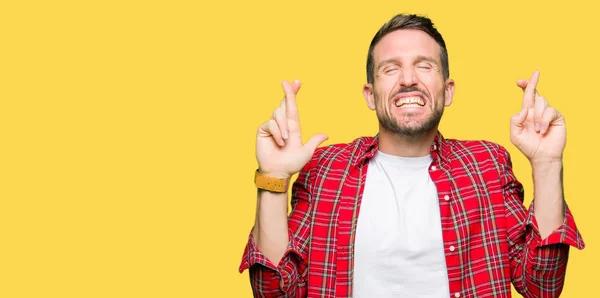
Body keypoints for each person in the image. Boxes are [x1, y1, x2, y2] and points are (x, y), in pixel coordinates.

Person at [239, 13, 585, 298]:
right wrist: (274, 179)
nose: (408, 79)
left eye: (424, 66)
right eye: (390, 68)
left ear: (447, 90)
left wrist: (547, 163)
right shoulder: (326, 168)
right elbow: (274, 292)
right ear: (370, 95)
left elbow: (543, 286)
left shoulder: (486, 164)